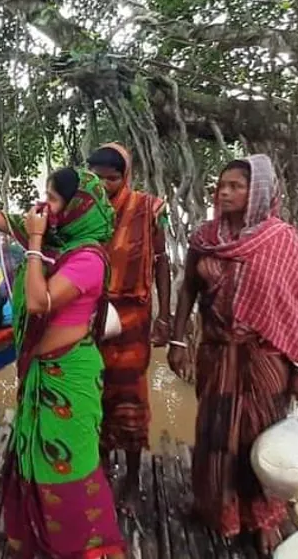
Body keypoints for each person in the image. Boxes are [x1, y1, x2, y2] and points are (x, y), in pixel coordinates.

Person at [0, 165, 125, 558]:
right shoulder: (53, 238)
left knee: (69, 465)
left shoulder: (88, 258)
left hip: (70, 376)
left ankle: (84, 548)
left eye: (52, 199)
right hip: (40, 374)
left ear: (77, 208)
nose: (43, 206)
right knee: (29, 457)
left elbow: (39, 301)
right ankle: (34, 539)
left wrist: (32, 241)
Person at [166, 154, 298, 553]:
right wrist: (178, 340)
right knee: (213, 432)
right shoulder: (205, 238)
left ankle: (264, 517)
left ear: (259, 193)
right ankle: (214, 506)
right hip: (217, 353)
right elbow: (188, 291)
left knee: (261, 436)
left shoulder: (281, 240)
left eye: (236, 186)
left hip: (265, 358)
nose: (225, 192)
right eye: (221, 185)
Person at [86, 143, 171, 477]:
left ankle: (134, 478)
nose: (104, 185)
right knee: (95, 393)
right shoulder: (81, 210)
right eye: (96, 177)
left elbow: (162, 261)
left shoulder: (150, 208)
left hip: (133, 319)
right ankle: (103, 468)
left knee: (130, 398)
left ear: (125, 176)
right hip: (92, 317)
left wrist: (165, 316)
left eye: (112, 178)